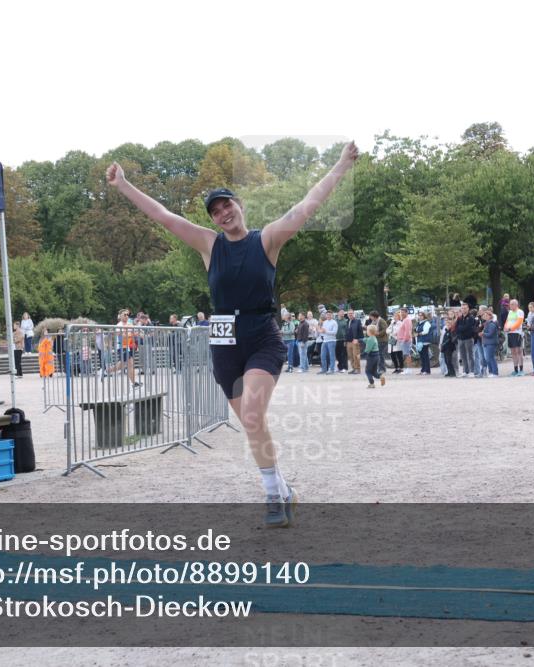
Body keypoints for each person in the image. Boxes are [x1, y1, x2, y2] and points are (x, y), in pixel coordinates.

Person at [106, 141, 359, 527]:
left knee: (255, 416)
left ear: (239, 205)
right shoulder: (209, 245)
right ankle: (284, 489)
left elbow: (307, 206)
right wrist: (123, 184)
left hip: (262, 337)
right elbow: (162, 215)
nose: (222, 213)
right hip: (224, 345)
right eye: (215, 211)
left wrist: (341, 165)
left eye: (227, 205)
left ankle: (273, 496)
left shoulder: (267, 240)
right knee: (251, 423)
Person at [503, 299, 525, 376]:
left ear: (516, 304)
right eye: (510, 304)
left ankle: (521, 370)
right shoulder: (510, 312)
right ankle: (515, 370)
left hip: (517, 333)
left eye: (512, 304)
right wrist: (505, 327)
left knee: (518, 351)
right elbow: (507, 321)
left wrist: (510, 329)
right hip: (510, 333)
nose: (510, 305)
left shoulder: (520, 312)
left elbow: (519, 323)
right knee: (513, 352)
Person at [454, 303, 477, 377]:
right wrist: (461, 328)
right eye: (462, 308)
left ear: (468, 309)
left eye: (465, 308)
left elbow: (468, 327)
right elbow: (456, 328)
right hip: (460, 339)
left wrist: (461, 328)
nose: (463, 309)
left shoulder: (471, 318)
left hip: (468, 339)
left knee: (470, 355)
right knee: (463, 356)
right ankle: (465, 371)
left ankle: (472, 371)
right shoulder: (459, 318)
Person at [363, 324, 386, 388]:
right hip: (377, 357)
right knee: (374, 372)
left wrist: (361, 355)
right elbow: (366, 340)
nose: (366, 331)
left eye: (367, 330)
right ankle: (381, 376)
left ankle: (372, 383)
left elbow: (367, 350)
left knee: (367, 371)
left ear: (369, 332)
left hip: (371, 357)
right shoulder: (374, 338)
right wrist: (360, 339)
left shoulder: (370, 339)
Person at [480, 309, 500, 376]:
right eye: (484, 315)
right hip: (486, 343)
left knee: (491, 357)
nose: (484, 316)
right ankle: (491, 372)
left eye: (486, 315)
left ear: (490, 316)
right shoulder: (486, 323)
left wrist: (483, 334)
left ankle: (495, 372)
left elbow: (490, 334)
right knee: (487, 358)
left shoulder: (492, 324)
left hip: (491, 343)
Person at [395, 307, 414, 374]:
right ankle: (408, 368)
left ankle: (409, 369)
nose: (401, 314)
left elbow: (407, 331)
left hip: (405, 340)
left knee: (407, 355)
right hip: (403, 340)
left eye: (403, 312)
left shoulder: (407, 320)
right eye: (401, 312)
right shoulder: (405, 320)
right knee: (406, 355)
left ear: (406, 312)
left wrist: (404, 340)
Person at [346, 308, 363, 374]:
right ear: (347, 314)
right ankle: (353, 368)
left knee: (356, 355)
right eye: (349, 313)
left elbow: (360, 332)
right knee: (350, 356)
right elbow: (346, 332)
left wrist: (358, 339)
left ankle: (357, 369)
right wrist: (345, 341)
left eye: (351, 313)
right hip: (348, 342)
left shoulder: (357, 321)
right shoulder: (347, 321)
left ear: (354, 314)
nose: (350, 314)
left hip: (355, 341)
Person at [415, 310, 432, 375]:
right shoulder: (419, 323)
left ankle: (427, 370)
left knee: (425, 356)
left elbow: (426, 331)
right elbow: (416, 330)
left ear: (424, 316)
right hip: (420, 341)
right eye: (419, 315)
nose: (420, 316)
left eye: (421, 315)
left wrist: (418, 334)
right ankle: (423, 369)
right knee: (422, 356)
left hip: (425, 341)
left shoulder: (426, 323)